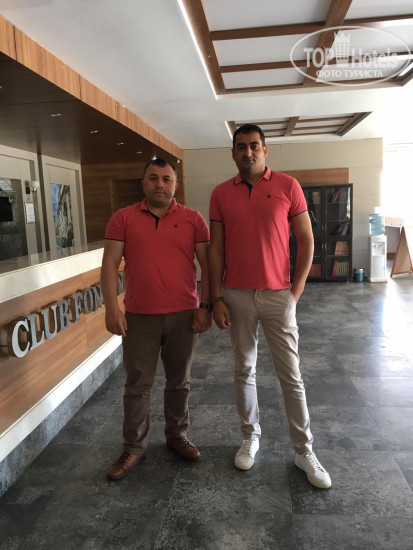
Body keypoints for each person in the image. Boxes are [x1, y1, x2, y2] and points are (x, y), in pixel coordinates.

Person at [208, 124, 331, 489]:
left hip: (279, 295)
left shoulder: (288, 186)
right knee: (244, 370)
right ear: (233, 153)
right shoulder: (220, 194)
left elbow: (306, 240)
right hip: (236, 295)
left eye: (254, 146)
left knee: (291, 375)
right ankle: (250, 436)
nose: (248, 152)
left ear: (265, 150)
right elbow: (216, 249)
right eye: (241, 147)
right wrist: (216, 298)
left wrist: (295, 292)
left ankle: (304, 450)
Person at [102, 158, 211, 480]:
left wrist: (205, 306)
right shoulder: (123, 218)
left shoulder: (194, 219)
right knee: (137, 385)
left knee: (180, 381)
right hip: (139, 317)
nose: (159, 184)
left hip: (184, 314)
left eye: (166, 179)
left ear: (176, 184)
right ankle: (133, 447)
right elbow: (109, 265)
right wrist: (112, 307)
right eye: (153, 178)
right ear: (143, 183)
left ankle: (177, 435)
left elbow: (208, 266)